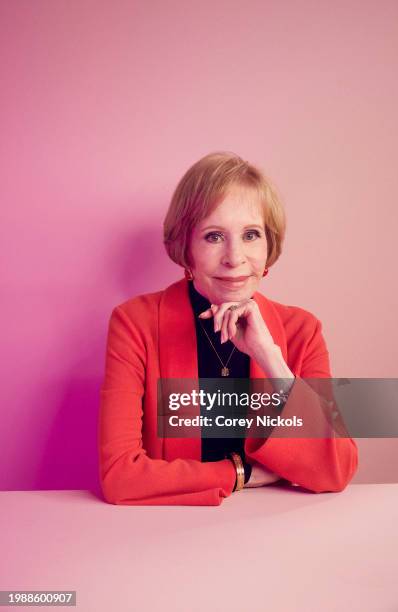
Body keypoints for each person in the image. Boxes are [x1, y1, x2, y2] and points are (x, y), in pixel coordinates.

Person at [98, 151, 358, 506]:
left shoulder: (302, 329)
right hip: (166, 535)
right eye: (213, 236)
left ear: (270, 245)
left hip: (273, 534)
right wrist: (240, 474)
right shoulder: (134, 323)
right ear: (186, 247)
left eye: (251, 234)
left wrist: (272, 360)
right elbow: (120, 478)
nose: (235, 258)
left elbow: (337, 470)